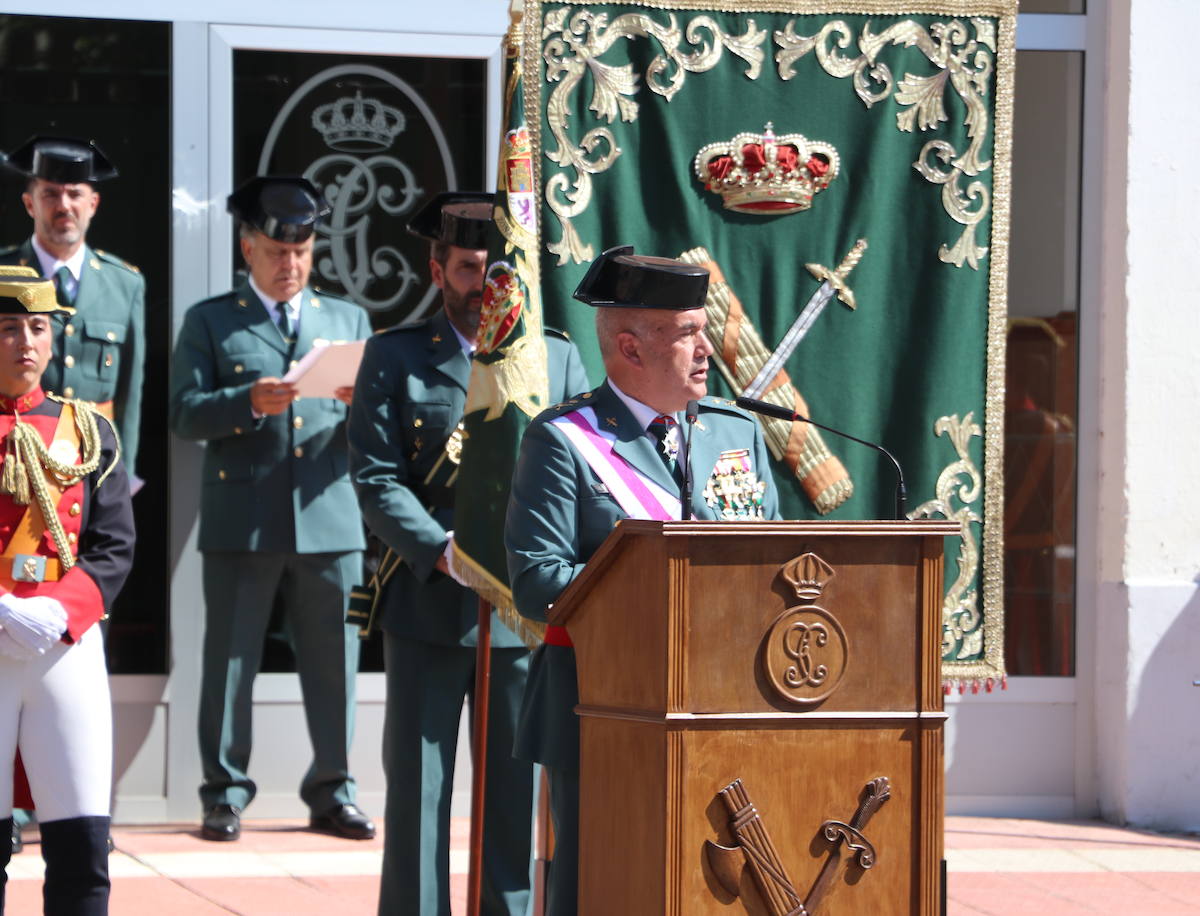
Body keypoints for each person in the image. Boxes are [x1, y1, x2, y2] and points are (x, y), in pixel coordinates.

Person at [504, 246, 780, 915]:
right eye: (688, 333)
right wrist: (659, 583)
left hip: (723, 696)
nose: (707, 348)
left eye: (702, 329)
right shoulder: (564, 439)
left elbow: (775, 556)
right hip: (601, 701)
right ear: (630, 347)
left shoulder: (734, 431)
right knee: (597, 879)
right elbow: (538, 581)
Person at [349, 191, 589, 916]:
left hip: (519, 610)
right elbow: (375, 477)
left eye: (495, 270)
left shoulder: (557, 357)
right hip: (428, 598)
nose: (482, 285)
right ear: (438, 270)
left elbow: (580, 474)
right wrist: (443, 549)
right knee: (420, 793)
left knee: (512, 794)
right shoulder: (394, 356)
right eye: (466, 268)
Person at [170, 176, 373, 843]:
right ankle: (223, 793)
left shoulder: (347, 321)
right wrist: (243, 403)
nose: (291, 265)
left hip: (329, 512)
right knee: (229, 658)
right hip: (244, 514)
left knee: (335, 661)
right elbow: (182, 415)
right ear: (248, 248)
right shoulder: (211, 319)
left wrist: (358, 405)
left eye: (303, 252)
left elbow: (381, 422)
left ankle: (334, 790)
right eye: (277, 253)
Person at [0, 267, 134, 915]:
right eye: (6, 329)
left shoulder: (91, 430)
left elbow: (114, 546)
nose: (25, 342)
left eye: (37, 327)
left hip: (65, 641)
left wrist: (58, 608)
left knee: (83, 849)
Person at [0, 136, 146, 476]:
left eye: (75, 194)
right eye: (50, 193)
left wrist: (124, 474)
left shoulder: (125, 284)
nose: (63, 205)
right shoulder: (4, 275)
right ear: (29, 204)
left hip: (95, 462)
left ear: (93, 204)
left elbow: (129, 397)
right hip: (14, 461)